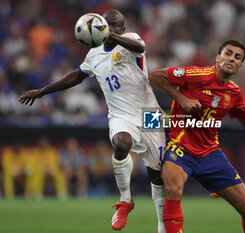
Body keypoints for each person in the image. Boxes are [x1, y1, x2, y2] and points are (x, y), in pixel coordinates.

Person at [19, 9, 166, 232]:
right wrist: (42, 91)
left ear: (122, 29)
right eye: (106, 24)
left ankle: (162, 225)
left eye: (115, 25)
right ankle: (126, 201)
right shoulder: (94, 54)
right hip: (120, 114)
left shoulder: (131, 40)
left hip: (150, 113)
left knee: (157, 174)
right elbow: (76, 76)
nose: (109, 28)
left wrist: (112, 36)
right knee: (121, 144)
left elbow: (141, 48)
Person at [149, 40, 245, 233]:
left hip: (210, 155)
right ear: (217, 58)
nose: (231, 58)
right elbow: (155, 76)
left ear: (240, 66)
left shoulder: (233, 93)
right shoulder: (195, 75)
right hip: (180, 148)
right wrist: (183, 99)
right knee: (174, 189)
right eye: (228, 53)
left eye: (237, 57)